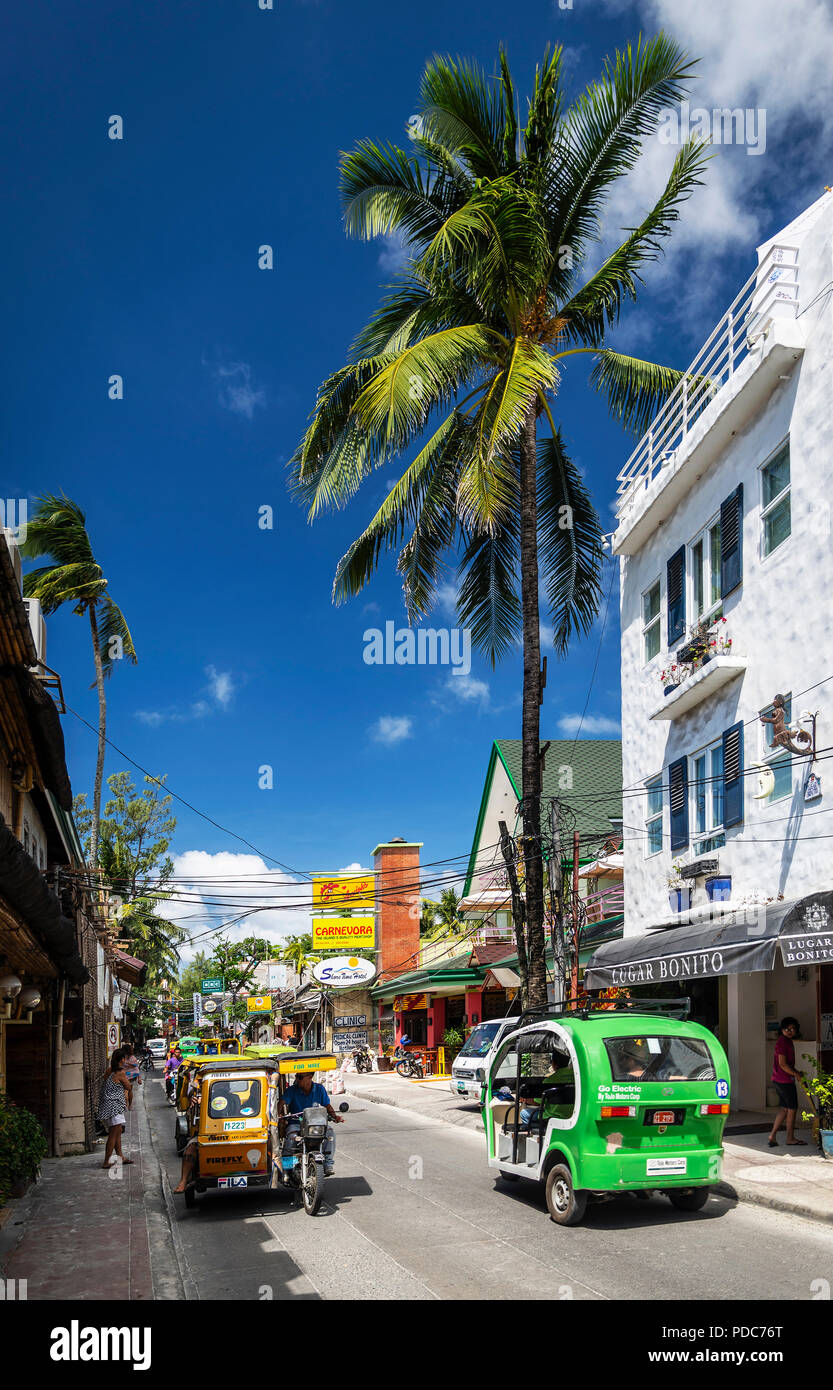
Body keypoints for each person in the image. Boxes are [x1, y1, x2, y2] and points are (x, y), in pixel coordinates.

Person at [280, 1071, 345, 1176]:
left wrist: (335, 1116)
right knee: (291, 1137)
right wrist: (279, 1116)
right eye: (297, 1076)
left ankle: (328, 1163)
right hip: (296, 1123)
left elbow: (327, 1105)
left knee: (330, 1133)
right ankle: (286, 1169)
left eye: (300, 1077)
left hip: (314, 1124)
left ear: (310, 1077)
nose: (297, 1079)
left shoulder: (319, 1089)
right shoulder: (291, 1090)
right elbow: (281, 1103)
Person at [768, 1017, 807, 1147]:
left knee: (784, 1109)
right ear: (782, 1030)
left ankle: (772, 1136)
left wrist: (796, 1072)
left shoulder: (788, 1041)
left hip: (782, 1079)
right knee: (792, 1109)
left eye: (792, 1029)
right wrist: (796, 1074)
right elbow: (783, 1064)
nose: (790, 1031)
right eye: (787, 1029)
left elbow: (788, 1064)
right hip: (783, 1080)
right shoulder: (782, 1042)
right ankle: (790, 1138)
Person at [97, 1047, 135, 1169]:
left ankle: (120, 1156)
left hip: (107, 1105)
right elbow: (128, 1087)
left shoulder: (109, 1071)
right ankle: (106, 1161)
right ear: (122, 1059)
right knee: (113, 1134)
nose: (126, 1060)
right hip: (115, 1106)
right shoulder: (121, 1073)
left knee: (117, 1132)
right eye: (124, 1058)